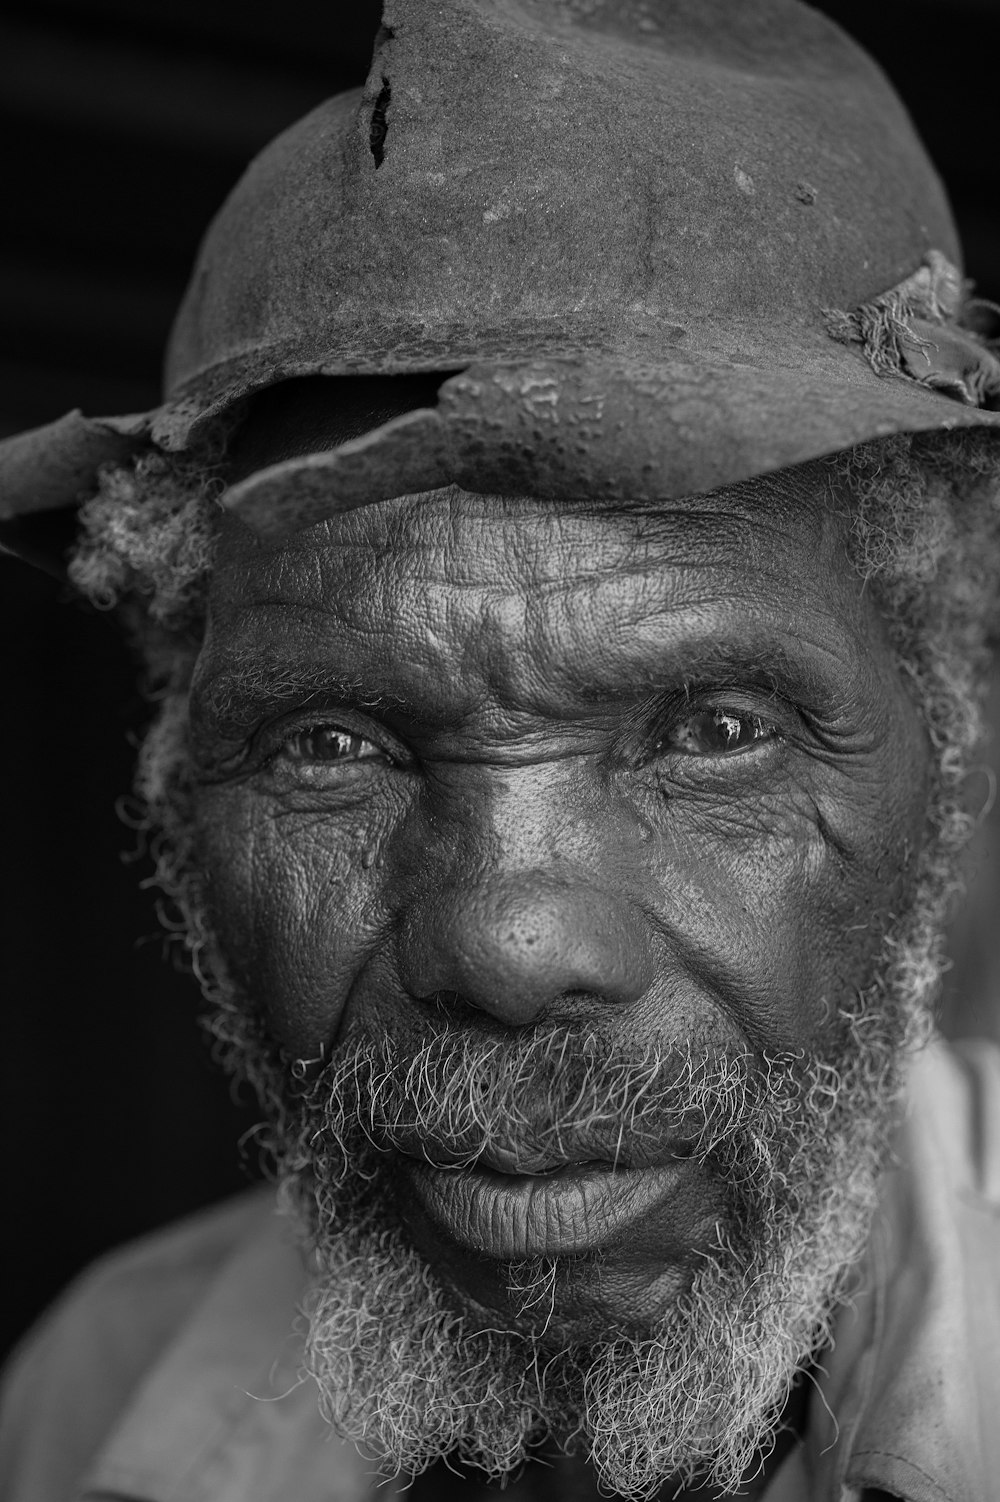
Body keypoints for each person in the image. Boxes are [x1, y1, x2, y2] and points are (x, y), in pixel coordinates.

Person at [2, 1, 1000, 1498]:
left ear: (950, 761)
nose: (509, 940)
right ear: (172, 793)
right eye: (332, 740)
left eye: (717, 732)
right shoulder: (84, 1395)